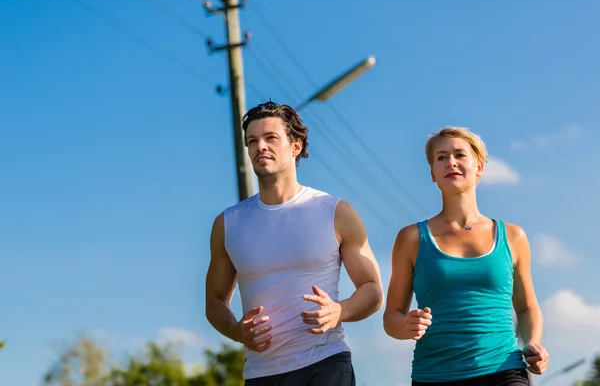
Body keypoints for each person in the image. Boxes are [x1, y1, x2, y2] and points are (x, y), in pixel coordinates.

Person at [206, 101, 384, 385]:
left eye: (270, 138)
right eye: (252, 141)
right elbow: (214, 301)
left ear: (296, 146)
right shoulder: (228, 223)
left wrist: (341, 310)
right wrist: (236, 331)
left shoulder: (335, 211)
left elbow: (373, 289)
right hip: (261, 373)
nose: (260, 147)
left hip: (325, 363)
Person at [383, 126, 549, 385]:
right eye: (441, 157)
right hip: (434, 375)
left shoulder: (514, 236)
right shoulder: (411, 238)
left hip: (504, 370)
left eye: (460, 155)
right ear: (432, 174)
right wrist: (406, 326)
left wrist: (533, 344)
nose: (451, 162)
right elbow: (391, 316)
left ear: (479, 167)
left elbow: (527, 307)